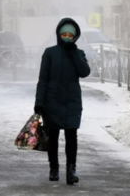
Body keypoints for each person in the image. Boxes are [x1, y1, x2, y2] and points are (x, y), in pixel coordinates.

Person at [34, 18, 91, 185]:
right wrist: (39, 101)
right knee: (53, 137)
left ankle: (71, 170)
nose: (67, 37)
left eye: (70, 35)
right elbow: (43, 79)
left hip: (72, 101)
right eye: (64, 34)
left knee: (71, 136)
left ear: (75, 37)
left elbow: (84, 72)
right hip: (52, 100)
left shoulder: (79, 53)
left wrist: (73, 52)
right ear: (59, 34)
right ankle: (54, 169)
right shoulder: (49, 53)